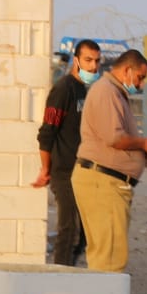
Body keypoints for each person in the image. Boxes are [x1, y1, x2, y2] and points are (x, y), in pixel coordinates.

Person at [71, 48, 147, 273]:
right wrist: (144, 144)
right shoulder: (106, 91)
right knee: (109, 260)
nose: (141, 85)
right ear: (127, 70)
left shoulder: (114, 93)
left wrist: (142, 151)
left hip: (105, 182)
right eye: (140, 78)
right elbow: (114, 137)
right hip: (104, 182)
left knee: (104, 255)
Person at [32, 39, 101, 266]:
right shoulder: (64, 89)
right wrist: (46, 169)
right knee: (68, 229)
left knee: (82, 234)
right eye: (88, 60)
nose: (93, 66)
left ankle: (69, 273)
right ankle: (59, 278)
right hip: (64, 172)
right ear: (77, 60)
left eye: (97, 61)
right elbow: (47, 132)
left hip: (82, 170)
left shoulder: (83, 89)